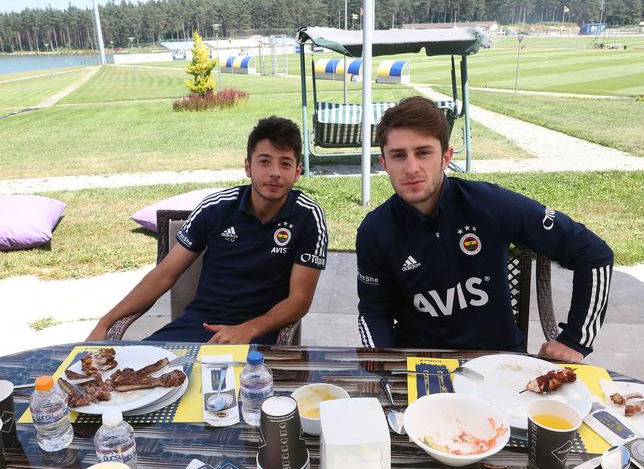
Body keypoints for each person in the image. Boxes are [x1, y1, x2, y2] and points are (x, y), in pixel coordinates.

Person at [356, 96, 613, 362]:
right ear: (384, 164)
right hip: (420, 366)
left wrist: (575, 340)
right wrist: (384, 363)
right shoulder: (375, 230)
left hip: (499, 363)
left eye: (423, 152)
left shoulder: (490, 204)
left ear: (446, 157)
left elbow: (593, 253)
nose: (411, 168)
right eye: (399, 156)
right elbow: (374, 311)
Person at [87, 116, 328, 344]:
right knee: (137, 368)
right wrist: (105, 322)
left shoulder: (308, 216)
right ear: (248, 167)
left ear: (297, 171)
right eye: (264, 161)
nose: (275, 172)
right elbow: (164, 274)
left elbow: (300, 299)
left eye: (285, 164)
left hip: (258, 337)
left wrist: (250, 329)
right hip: (198, 326)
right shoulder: (216, 208)